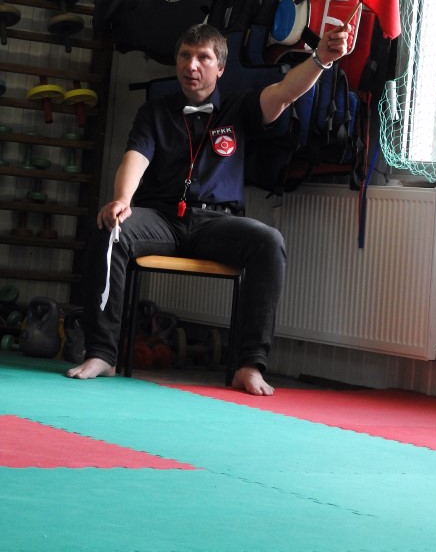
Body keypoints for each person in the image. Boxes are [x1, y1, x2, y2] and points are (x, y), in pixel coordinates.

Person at [67, 22, 350, 395]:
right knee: (111, 229)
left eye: (203, 57)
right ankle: (102, 353)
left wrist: (321, 59)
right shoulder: (154, 112)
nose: (191, 65)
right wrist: (122, 199)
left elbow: (284, 92)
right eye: (185, 56)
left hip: (217, 223)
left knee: (269, 242)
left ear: (220, 68)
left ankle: (249, 365)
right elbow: (136, 157)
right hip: (162, 219)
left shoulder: (240, 106)